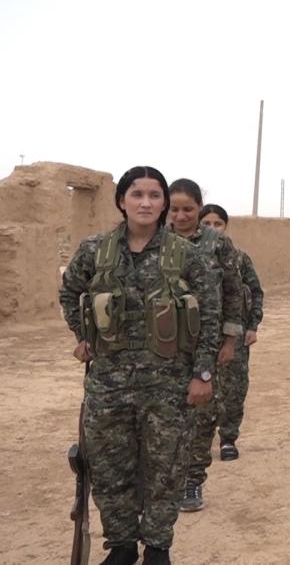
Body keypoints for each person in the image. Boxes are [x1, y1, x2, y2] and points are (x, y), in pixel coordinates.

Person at [59, 166, 220, 565]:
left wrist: (202, 373)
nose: (145, 202)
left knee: (165, 470)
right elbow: (69, 292)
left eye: (154, 195)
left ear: (164, 203)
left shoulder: (187, 254)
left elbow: (211, 316)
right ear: (121, 201)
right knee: (112, 470)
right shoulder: (95, 250)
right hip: (108, 385)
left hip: (168, 385)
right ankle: (122, 545)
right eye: (136, 194)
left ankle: (158, 547)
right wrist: (83, 335)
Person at [168, 179, 245, 513]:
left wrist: (230, 340)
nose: (181, 215)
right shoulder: (156, 240)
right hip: (163, 344)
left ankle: (192, 480)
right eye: (174, 209)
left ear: (200, 208)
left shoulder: (217, 244)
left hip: (207, 341)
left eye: (188, 209)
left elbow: (233, 293)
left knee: (202, 415)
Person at [198, 203, 264, 462]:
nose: (212, 229)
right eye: (206, 224)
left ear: (226, 227)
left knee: (234, 387)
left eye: (218, 224)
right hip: (199, 335)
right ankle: (198, 440)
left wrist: (252, 326)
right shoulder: (189, 255)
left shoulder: (239, 258)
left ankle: (228, 438)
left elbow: (255, 292)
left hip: (234, 334)